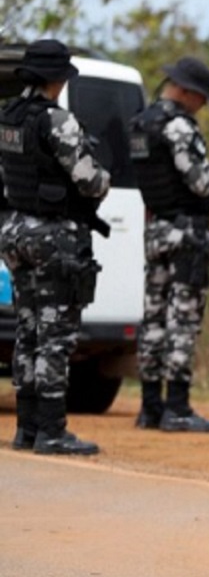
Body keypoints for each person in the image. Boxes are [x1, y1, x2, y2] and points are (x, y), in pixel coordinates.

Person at [0, 39, 109, 455]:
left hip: (15, 231)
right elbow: (90, 180)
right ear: (59, 79)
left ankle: (26, 429)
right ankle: (51, 431)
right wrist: (103, 174)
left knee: (28, 329)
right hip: (53, 236)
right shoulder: (58, 120)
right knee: (56, 334)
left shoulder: (8, 115)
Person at [130, 56, 209, 433]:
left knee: (153, 319)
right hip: (186, 235)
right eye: (201, 97)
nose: (201, 105)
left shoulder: (142, 123)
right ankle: (177, 408)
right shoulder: (178, 126)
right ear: (185, 91)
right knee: (182, 320)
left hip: (157, 232)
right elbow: (200, 182)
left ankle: (150, 407)